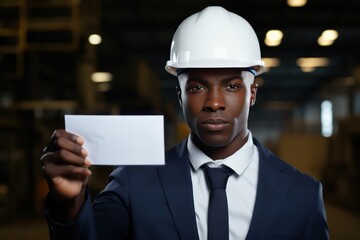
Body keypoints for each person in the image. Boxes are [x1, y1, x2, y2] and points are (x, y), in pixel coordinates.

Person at [40, 6, 329, 240]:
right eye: (197, 87)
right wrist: (70, 203)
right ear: (179, 95)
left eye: (230, 86)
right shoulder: (133, 182)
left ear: (252, 92)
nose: (214, 102)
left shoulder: (301, 194)